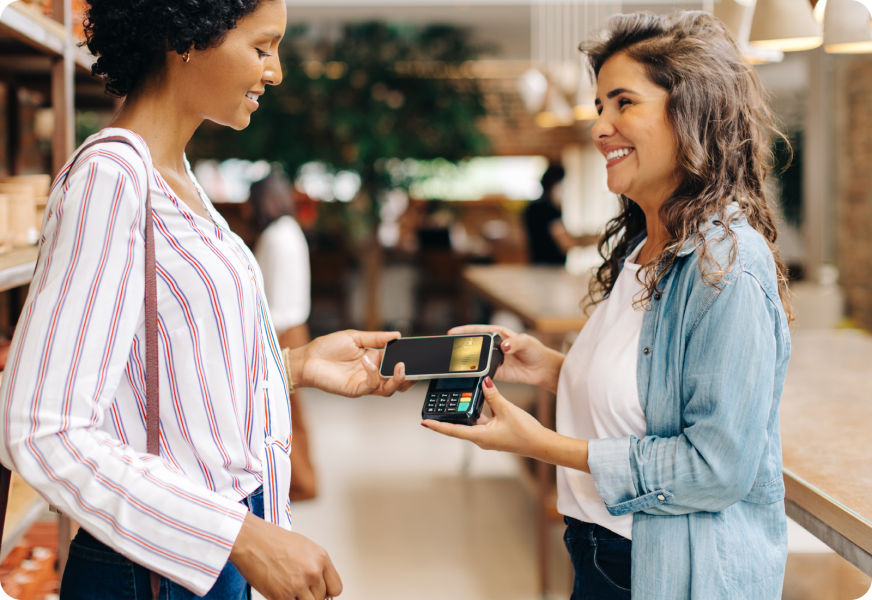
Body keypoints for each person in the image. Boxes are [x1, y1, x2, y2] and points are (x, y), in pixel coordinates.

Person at [0, 2, 412, 599]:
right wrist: (239, 536)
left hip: (204, 553)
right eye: (263, 47)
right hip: (156, 570)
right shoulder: (111, 177)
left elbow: (159, 380)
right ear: (187, 37)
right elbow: (40, 430)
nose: (276, 72)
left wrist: (294, 366)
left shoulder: (178, 177)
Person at [425, 11, 792, 600]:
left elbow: (717, 469)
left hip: (661, 570)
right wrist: (551, 366)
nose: (602, 128)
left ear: (690, 111)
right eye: (600, 107)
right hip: (601, 550)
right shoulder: (646, 247)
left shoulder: (727, 266)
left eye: (624, 103)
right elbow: (647, 399)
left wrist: (538, 444)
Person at [248, 174, 317, 501]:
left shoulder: (274, 237)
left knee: (282, 413)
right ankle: (302, 480)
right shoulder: (291, 231)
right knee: (292, 413)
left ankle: (299, 483)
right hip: (296, 326)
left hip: (280, 332)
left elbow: (268, 298)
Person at [523, 164, 597, 265]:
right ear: (556, 184)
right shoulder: (549, 210)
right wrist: (594, 240)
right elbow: (566, 243)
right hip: (550, 268)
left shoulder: (532, 207)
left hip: (536, 264)